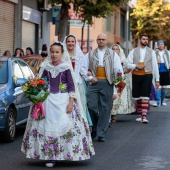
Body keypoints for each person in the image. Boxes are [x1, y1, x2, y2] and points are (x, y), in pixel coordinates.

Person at [21, 42, 95, 168]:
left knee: (66, 126)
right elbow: (41, 84)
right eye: (52, 52)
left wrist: (71, 102)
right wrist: (37, 97)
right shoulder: (45, 66)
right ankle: (50, 157)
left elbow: (71, 86)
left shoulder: (66, 67)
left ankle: (65, 154)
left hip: (63, 100)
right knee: (46, 128)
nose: (54, 54)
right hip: (47, 101)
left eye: (57, 52)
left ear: (62, 53)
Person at [81, 33, 123, 142]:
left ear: (106, 41)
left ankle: (101, 133)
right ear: (96, 40)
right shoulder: (90, 54)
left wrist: (114, 89)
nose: (101, 41)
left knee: (105, 108)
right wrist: (90, 78)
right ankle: (95, 127)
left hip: (107, 82)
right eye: (99, 39)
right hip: (94, 83)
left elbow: (118, 71)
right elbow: (82, 69)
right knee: (91, 105)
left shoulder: (113, 54)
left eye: (103, 39)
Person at [126, 34, 159, 123]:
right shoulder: (133, 51)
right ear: (140, 40)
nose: (145, 41)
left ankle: (144, 116)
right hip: (136, 75)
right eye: (144, 39)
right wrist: (136, 66)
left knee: (145, 95)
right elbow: (127, 63)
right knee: (138, 97)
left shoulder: (151, 52)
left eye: (146, 39)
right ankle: (140, 115)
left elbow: (155, 66)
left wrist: (157, 80)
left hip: (147, 75)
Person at [63, 34, 92, 126]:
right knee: (66, 106)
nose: (70, 43)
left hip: (78, 83)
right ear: (65, 43)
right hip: (65, 85)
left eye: (72, 41)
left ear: (75, 43)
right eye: (68, 41)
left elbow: (83, 70)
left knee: (80, 105)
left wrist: (89, 75)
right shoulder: (62, 55)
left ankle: (80, 126)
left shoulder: (80, 55)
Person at [110, 44, 135, 123]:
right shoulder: (108, 59)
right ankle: (109, 114)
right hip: (110, 79)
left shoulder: (123, 59)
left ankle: (114, 115)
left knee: (118, 97)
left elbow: (128, 68)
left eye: (116, 49)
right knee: (111, 96)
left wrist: (123, 72)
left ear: (119, 51)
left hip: (120, 79)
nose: (115, 51)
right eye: (113, 49)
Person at [152, 40, 170, 107]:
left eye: (161, 44)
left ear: (164, 45)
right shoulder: (154, 53)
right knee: (158, 86)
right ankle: (157, 102)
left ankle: (162, 101)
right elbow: (152, 62)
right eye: (159, 44)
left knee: (164, 87)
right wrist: (156, 62)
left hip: (165, 71)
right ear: (157, 45)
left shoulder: (168, 53)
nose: (160, 45)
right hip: (157, 71)